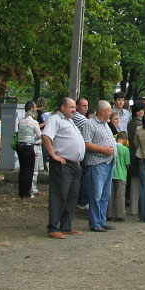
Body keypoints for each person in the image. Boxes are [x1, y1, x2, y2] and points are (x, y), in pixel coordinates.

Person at [41, 97, 86, 239]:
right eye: (71, 107)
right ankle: (53, 227)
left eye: (74, 107)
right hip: (62, 164)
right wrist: (53, 155)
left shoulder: (70, 121)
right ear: (62, 107)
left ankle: (66, 225)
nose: (74, 110)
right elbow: (46, 136)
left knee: (72, 196)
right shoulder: (55, 120)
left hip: (74, 164)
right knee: (59, 195)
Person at [82, 100, 117, 233]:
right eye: (109, 110)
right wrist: (103, 150)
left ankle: (101, 221)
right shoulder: (90, 124)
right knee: (96, 194)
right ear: (102, 111)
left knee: (105, 195)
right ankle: (95, 222)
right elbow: (87, 143)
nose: (110, 112)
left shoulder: (105, 124)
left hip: (108, 163)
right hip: (97, 163)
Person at [127, 101, 145, 216]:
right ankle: (136, 209)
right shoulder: (139, 124)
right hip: (138, 156)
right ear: (139, 112)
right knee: (137, 184)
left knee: (135, 183)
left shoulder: (131, 123)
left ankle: (135, 208)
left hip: (133, 156)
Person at [17, 108, 41, 199]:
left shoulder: (21, 121)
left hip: (20, 146)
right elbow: (39, 135)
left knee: (22, 169)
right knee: (29, 170)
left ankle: (21, 191)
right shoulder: (34, 123)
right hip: (28, 146)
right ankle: (27, 192)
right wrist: (34, 139)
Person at [107, 131, 130, 222]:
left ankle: (109, 213)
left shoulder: (112, 147)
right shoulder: (125, 150)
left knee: (110, 195)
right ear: (125, 140)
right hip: (121, 174)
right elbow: (127, 163)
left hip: (111, 173)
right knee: (120, 195)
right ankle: (120, 214)